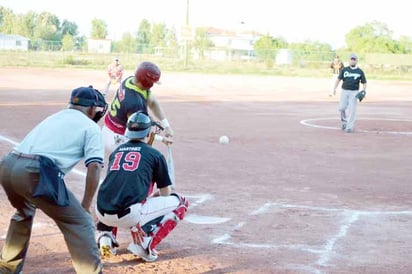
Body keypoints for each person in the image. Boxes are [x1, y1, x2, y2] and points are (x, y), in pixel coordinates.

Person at [0, 86, 108, 273]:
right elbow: (95, 166)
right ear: (92, 109)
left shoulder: (55, 117)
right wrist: (85, 205)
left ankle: (7, 269)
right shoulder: (91, 127)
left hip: (8, 166)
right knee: (80, 222)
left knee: (24, 212)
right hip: (33, 172)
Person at [95, 111, 188, 262]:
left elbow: (116, 184)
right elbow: (165, 193)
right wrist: (150, 200)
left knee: (116, 190)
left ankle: (105, 236)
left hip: (101, 212)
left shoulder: (117, 151)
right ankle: (144, 244)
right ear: (148, 132)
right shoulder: (154, 154)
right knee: (181, 202)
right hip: (129, 215)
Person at [102, 61, 173, 152]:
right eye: (151, 83)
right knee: (136, 162)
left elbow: (152, 102)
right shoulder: (135, 104)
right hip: (118, 139)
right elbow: (138, 131)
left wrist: (166, 126)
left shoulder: (130, 80)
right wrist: (162, 139)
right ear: (146, 83)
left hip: (110, 130)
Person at [332, 54, 367, 133]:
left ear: (356, 61)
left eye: (354, 59)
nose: (352, 60)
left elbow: (364, 82)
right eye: (351, 59)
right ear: (349, 60)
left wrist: (364, 90)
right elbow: (338, 79)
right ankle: (344, 122)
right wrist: (334, 88)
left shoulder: (360, 71)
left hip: (354, 92)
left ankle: (349, 127)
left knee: (352, 110)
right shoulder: (344, 69)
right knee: (341, 108)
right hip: (344, 91)